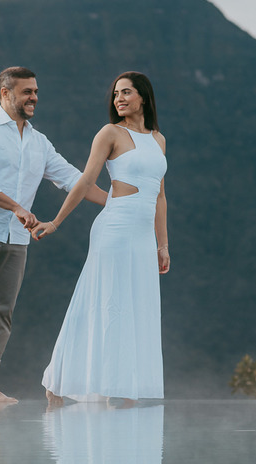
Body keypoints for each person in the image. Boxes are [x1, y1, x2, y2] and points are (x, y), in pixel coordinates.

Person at [0, 66, 107, 405]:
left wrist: (122, 203)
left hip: (16, 238)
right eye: (26, 92)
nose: (34, 97)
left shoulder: (38, 142)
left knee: (1, 310)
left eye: (35, 91)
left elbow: (73, 179)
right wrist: (17, 207)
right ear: (5, 94)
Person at [33, 71, 169, 405]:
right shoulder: (110, 133)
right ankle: (61, 383)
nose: (119, 98)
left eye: (126, 92)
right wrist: (56, 222)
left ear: (143, 97)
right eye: (115, 94)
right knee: (105, 304)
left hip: (142, 236)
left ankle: (126, 386)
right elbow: (84, 182)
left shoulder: (158, 139)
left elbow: (160, 196)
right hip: (116, 228)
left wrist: (162, 243)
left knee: (138, 307)